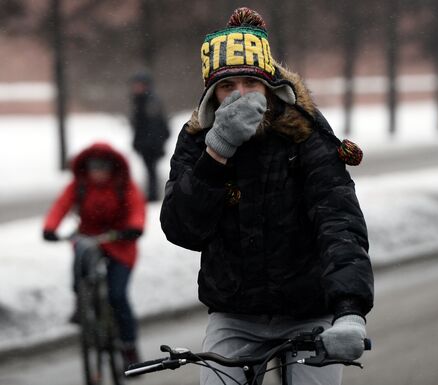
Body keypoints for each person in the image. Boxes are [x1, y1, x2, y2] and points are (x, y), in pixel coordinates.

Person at [160, 7, 374, 385]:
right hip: (234, 316)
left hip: (309, 311)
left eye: (250, 83)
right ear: (212, 94)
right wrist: (217, 153)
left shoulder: (304, 135)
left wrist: (350, 310)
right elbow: (182, 229)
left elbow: (338, 221)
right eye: (227, 87)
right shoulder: (197, 140)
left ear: (270, 87)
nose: (240, 95)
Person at [42, 142, 146, 367]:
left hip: (120, 244)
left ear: (112, 167)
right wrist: (50, 228)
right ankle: (81, 301)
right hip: (89, 240)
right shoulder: (79, 185)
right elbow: (60, 206)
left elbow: (137, 208)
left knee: (117, 295)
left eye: (103, 167)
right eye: (93, 167)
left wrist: (133, 228)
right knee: (80, 255)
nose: (98, 172)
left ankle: (129, 347)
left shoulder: (123, 185)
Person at [129, 71, 170, 201]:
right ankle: (152, 193)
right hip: (146, 142)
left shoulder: (150, 101)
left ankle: (152, 195)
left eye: (139, 84)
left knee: (151, 169)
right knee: (150, 169)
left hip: (151, 143)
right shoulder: (140, 100)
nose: (136, 87)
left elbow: (155, 124)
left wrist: (152, 143)